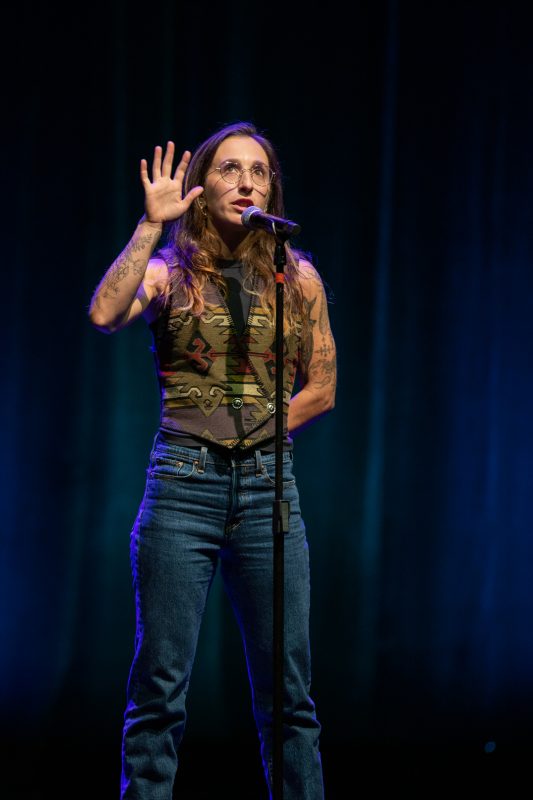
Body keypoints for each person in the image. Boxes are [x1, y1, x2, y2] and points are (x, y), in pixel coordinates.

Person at [88, 121, 336, 800]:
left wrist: (260, 432)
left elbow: (322, 387)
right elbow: (105, 313)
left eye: (258, 172)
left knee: (289, 696)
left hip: (267, 492)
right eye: (229, 169)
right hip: (181, 488)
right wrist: (148, 227)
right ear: (202, 186)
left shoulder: (297, 278)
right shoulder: (168, 271)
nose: (246, 182)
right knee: (159, 690)